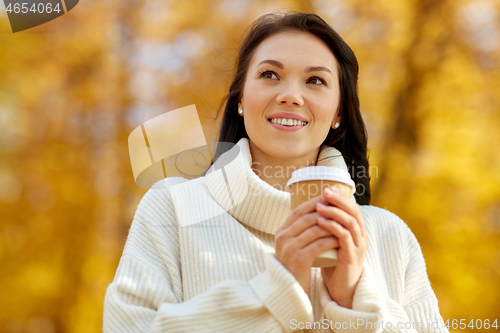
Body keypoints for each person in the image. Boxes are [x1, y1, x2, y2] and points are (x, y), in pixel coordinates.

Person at [103, 11, 449, 333]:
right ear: (240, 98)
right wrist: (272, 292)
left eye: (315, 80)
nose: (290, 95)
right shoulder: (173, 208)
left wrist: (353, 300)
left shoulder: (390, 237)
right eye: (270, 75)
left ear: (338, 112)